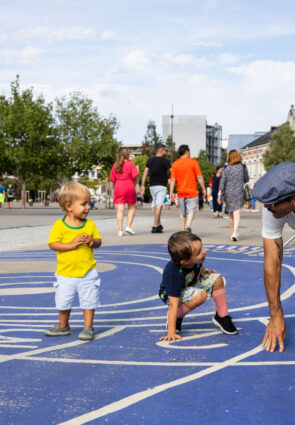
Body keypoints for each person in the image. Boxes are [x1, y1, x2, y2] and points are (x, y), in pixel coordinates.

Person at [45, 182, 102, 341]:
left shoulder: (90, 224)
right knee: (63, 303)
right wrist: (71, 245)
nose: (88, 207)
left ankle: (88, 327)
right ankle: (63, 327)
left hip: (87, 273)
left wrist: (92, 241)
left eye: (89, 203)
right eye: (84, 204)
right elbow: (53, 244)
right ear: (69, 206)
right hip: (65, 274)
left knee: (88, 302)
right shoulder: (59, 225)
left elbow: (98, 242)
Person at [159, 231, 237, 341]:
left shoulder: (194, 260)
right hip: (172, 295)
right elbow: (173, 305)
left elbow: (198, 265)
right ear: (184, 262)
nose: (204, 251)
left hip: (191, 284)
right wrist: (171, 332)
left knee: (218, 279)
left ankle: (222, 316)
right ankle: (177, 318)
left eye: (202, 248)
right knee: (200, 296)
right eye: (199, 252)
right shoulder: (174, 274)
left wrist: (204, 271)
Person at [252, 161, 295, 352]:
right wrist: (275, 315)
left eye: (273, 205)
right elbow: (272, 260)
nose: (267, 208)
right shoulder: (273, 204)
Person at [169, 145, 206, 233]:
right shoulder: (193, 162)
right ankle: (187, 226)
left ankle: (183, 230)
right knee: (191, 210)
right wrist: (203, 188)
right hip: (192, 191)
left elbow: (172, 179)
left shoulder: (175, 164)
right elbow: (199, 177)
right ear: (187, 151)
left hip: (181, 192)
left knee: (182, 212)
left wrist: (171, 192)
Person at [217, 150, 249, 241]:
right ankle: (235, 232)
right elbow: (247, 179)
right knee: (237, 213)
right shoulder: (242, 167)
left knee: (230, 213)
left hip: (228, 193)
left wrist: (219, 194)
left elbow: (222, 181)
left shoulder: (226, 168)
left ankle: (233, 232)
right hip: (238, 192)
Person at [140, 144, 170, 233]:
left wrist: (143, 185)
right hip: (161, 186)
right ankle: (155, 225)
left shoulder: (150, 160)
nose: (166, 152)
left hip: (152, 186)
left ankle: (159, 224)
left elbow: (145, 174)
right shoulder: (165, 161)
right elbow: (173, 171)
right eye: (166, 150)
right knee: (159, 205)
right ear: (162, 150)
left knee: (157, 205)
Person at [110, 147, 139, 236]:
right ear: (127, 154)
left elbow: (112, 178)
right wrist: (137, 170)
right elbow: (136, 176)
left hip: (119, 187)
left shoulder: (115, 165)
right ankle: (128, 226)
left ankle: (120, 230)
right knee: (131, 208)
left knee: (120, 210)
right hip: (129, 186)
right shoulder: (131, 164)